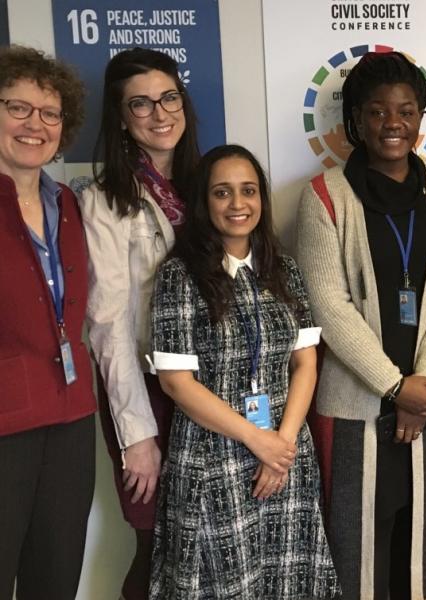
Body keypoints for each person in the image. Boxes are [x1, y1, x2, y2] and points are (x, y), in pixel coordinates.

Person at [296, 51, 426, 600]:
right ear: (355, 120)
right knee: (359, 553)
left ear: (422, 117)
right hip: (355, 402)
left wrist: (421, 387)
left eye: (405, 110)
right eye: (376, 112)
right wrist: (395, 387)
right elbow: (328, 304)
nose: (392, 124)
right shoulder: (324, 195)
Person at [149, 145, 340, 598]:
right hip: (214, 456)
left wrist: (284, 444)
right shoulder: (180, 276)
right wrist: (257, 439)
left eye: (248, 191)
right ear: (204, 202)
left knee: (286, 577)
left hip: (285, 453)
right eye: (222, 192)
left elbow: (306, 362)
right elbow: (175, 382)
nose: (238, 204)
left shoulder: (285, 270)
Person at [80, 47, 201, 600]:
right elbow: (107, 326)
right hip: (146, 392)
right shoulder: (105, 200)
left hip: (209, 389)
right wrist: (139, 436)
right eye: (141, 104)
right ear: (122, 118)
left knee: (208, 540)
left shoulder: (207, 186)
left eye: (168, 96)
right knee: (157, 544)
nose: (160, 113)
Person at [0, 45, 93, 599]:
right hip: (4, 425)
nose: (36, 124)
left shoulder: (68, 203)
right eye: (18, 107)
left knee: (55, 580)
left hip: (70, 414)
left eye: (50, 113)